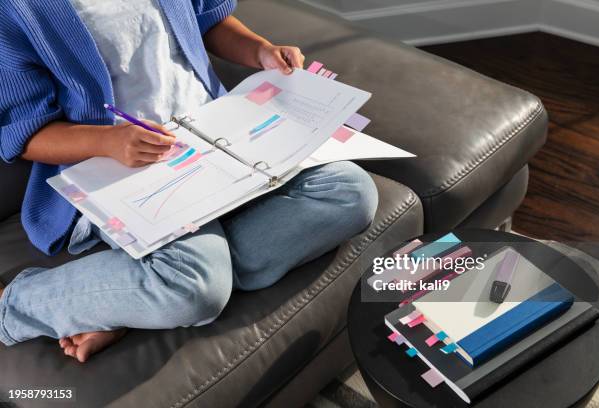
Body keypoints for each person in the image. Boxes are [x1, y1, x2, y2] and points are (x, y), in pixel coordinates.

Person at [0, 0, 378, 362]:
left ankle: (130, 295)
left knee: (350, 192)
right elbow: (25, 135)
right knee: (194, 289)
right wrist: (108, 142)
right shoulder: (13, 10)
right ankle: (14, 306)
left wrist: (260, 51)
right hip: (128, 170)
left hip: (218, 137)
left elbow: (210, 19)